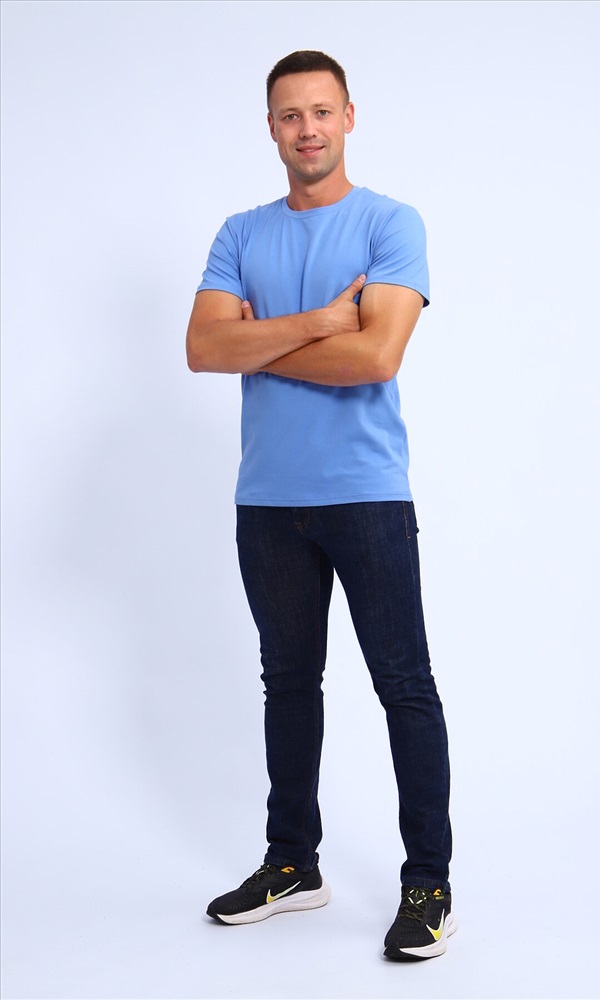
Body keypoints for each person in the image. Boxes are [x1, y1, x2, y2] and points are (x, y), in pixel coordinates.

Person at [186, 50, 455, 962]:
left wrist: (256, 340)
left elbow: (377, 358)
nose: (307, 128)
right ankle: (292, 865)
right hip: (266, 500)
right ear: (270, 128)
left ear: (348, 117)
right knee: (288, 686)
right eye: (289, 114)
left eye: (320, 111)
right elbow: (201, 349)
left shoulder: (389, 222)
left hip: (366, 494)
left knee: (403, 686)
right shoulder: (239, 233)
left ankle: (429, 884)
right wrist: (319, 322)